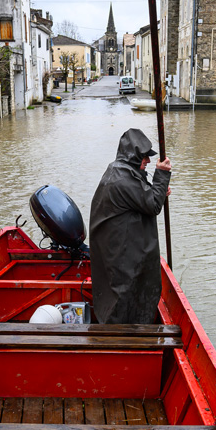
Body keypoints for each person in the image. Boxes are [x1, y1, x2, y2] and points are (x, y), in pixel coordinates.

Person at [89, 129, 172, 324]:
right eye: (145, 157)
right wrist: (161, 175)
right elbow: (151, 205)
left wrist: (158, 192)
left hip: (115, 248)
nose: (148, 161)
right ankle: (123, 337)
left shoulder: (118, 170)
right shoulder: (123, 179)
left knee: (123, 294)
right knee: (124, 295)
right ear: (133, 156)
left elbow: (143, 196)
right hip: (120, 254)